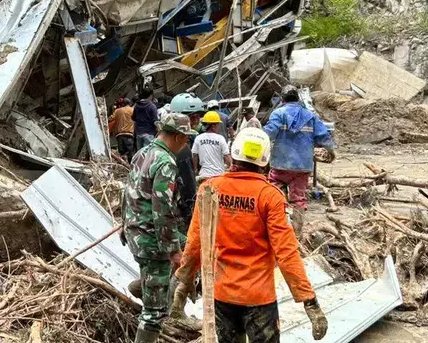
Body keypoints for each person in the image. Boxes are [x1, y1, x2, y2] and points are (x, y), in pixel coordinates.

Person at [173, 128, 328, 343]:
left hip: (222, 294)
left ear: (234, 154)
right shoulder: (269, 196)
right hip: (258, 299)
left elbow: (195, 241)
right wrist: (309, 301)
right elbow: (286, 252)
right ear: (265, 161)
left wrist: (184, 281)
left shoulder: (210, 188)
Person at [122, 113, 198, 343]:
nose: (186, 144)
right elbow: (162, 209)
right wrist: (173, 250)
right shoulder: (165, 163)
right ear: (177, 137)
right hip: (151, 238)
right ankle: (157, 296)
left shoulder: (141, 153)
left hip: (135, 231)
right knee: (154, 314)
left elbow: (127, 193)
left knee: (192, 245)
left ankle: (148, 288)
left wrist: (123, 227)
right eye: (185, 139)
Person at [263, 85, 335, 233]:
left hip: (280, 165)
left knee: (275, 195)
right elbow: (324, 137)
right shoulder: (310, 116)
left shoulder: (278, 113)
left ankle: (276, 229)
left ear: (282, 100)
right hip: (303, 166)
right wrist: (331, 152)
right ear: (298, 99)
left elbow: (268, 134)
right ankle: (297, 233)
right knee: (298, 199)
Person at [169, 93, 206, 233]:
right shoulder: (182, 149)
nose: (196, 121)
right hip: (176, 211)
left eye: (198, 116)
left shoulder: (162, 142)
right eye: (193, 117)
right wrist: (192, 207)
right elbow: (188, 185)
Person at [192, 111, 232, 183]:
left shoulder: (198, 138)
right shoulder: (220, 138)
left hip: (204, 176)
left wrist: (195, 170)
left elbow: (194, 156)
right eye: (217, 125)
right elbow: (227, 156)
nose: (218, 127)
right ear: (213, 126)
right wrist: (231, 167)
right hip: (218, 176)